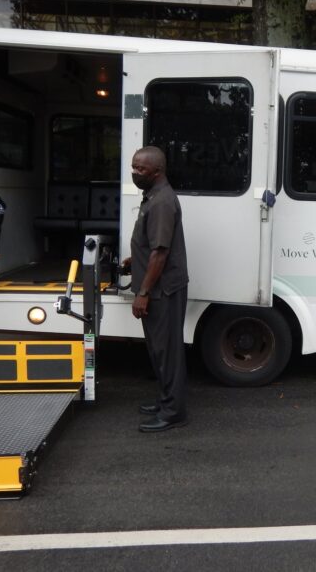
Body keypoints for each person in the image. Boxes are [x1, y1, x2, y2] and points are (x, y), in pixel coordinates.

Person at [122, 146, 189, 432]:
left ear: (157, 171)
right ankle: (165, 400)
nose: (135, 173)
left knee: (167, 352)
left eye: (141, 169)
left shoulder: (161, 201)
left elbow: (160, 253)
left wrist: (143, 293)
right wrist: (133, 259)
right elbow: (151, 244)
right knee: (158, 349)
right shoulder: (153, 196)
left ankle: (173, 411)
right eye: (134, 167)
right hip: (158, 286)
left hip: (162, 291)